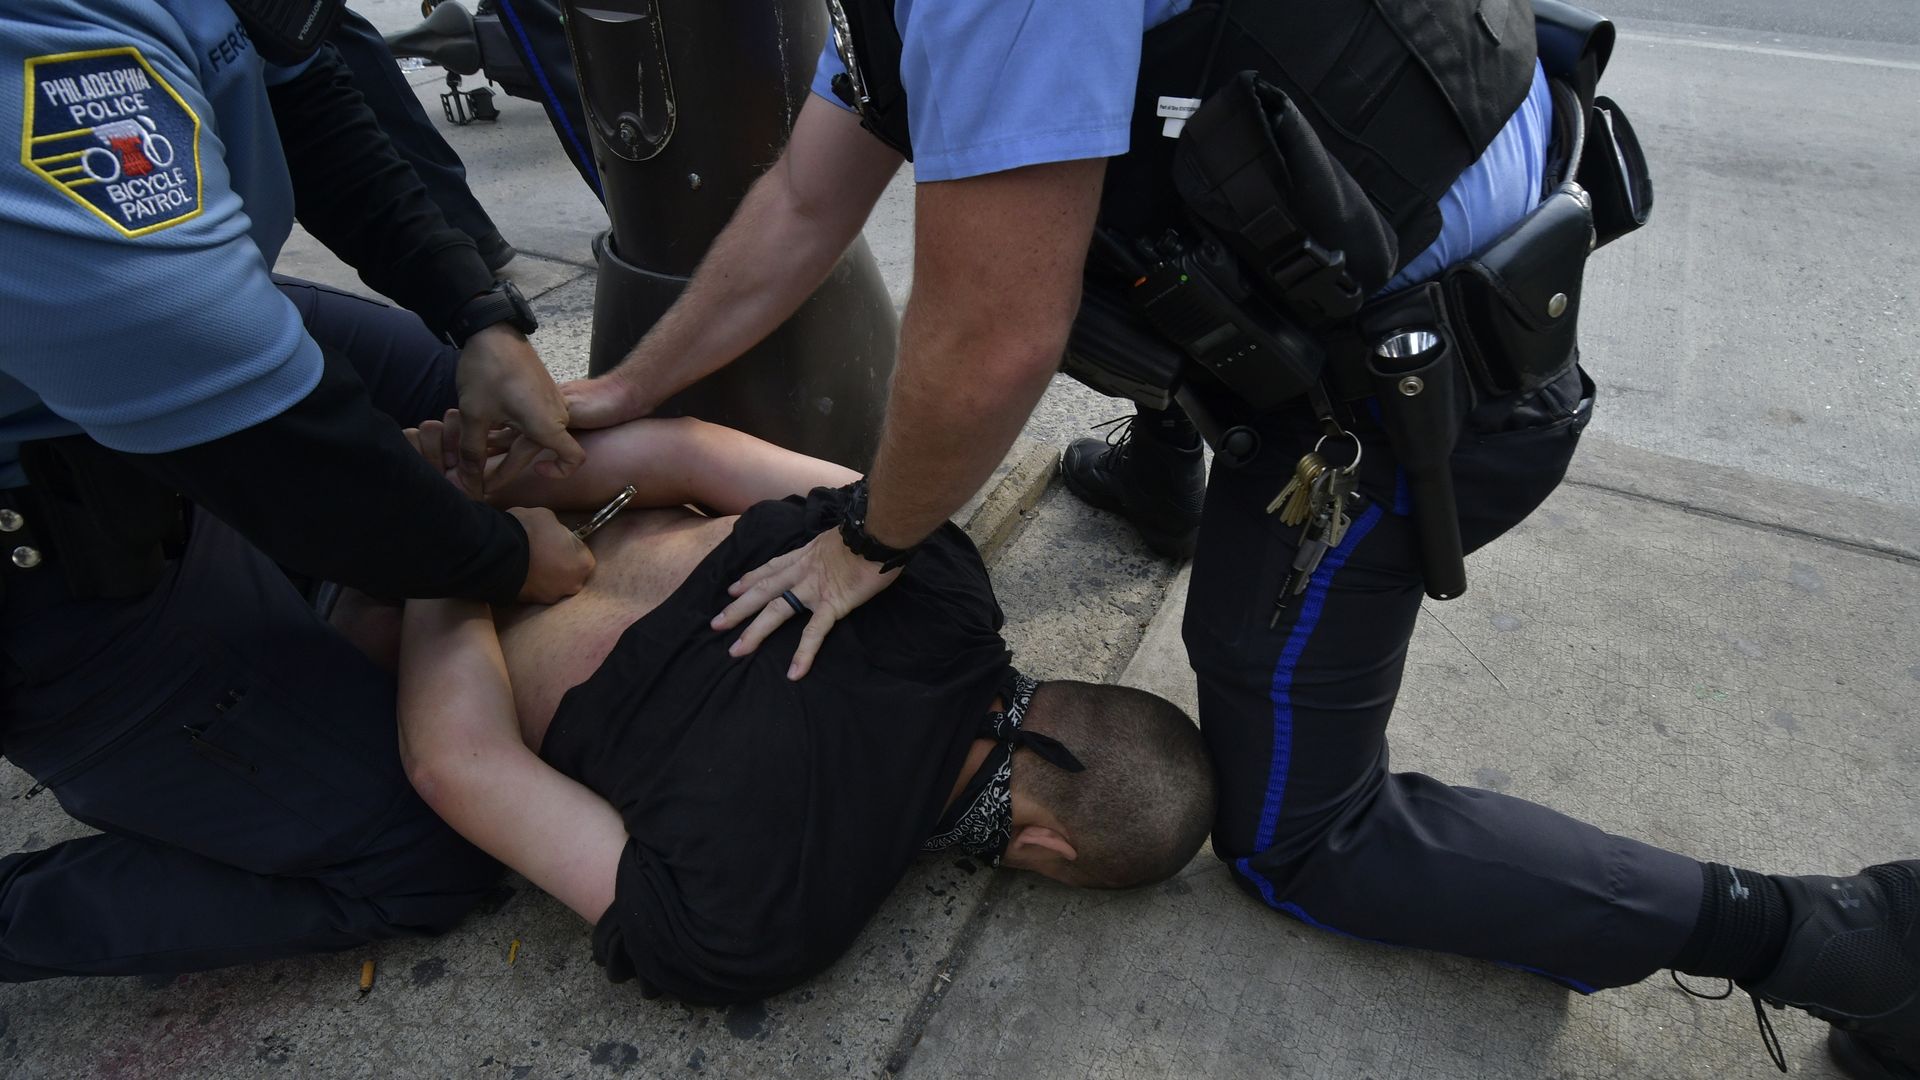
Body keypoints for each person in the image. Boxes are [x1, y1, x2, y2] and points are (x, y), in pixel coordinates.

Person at [555, 1, 1920, 1074]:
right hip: (1366, 250)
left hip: (1413, 401)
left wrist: (873, 542)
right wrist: (621, 391)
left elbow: (990, 343)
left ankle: (1833, 938)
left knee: (1297, 838)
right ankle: (1169, 465)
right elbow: (806, 200)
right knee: (1119, 205)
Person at [0, 0, 595, 980]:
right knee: (423, 847)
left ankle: (319, 602)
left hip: (154, 347)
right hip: (50, 531)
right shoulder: (41, 58)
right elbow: (280, 449)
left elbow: (308, 95)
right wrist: (504, 559)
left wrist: (476, 313)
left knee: (440, 407)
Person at [390, 413, 1216, 1003]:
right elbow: (454, 763)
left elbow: (686, 449)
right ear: (1043, 844)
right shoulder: (770, 922)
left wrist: (471, 488)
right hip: (400, 594)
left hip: (484, 470)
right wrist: (436, 543)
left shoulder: (933, 558)